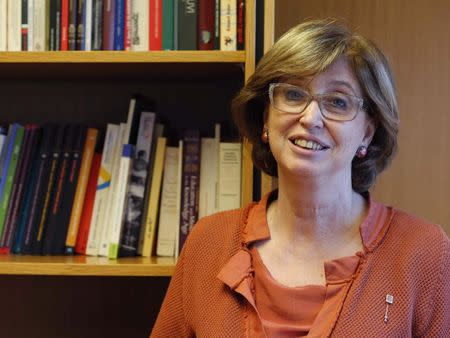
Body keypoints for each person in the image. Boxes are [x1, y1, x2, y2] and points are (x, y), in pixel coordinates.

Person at [151, 19, 450, 337]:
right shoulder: (208, 243)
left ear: (367, 132)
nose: (310, 118)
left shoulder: (425, 254)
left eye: (337, 101)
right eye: (293, 95)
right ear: (266, 117)